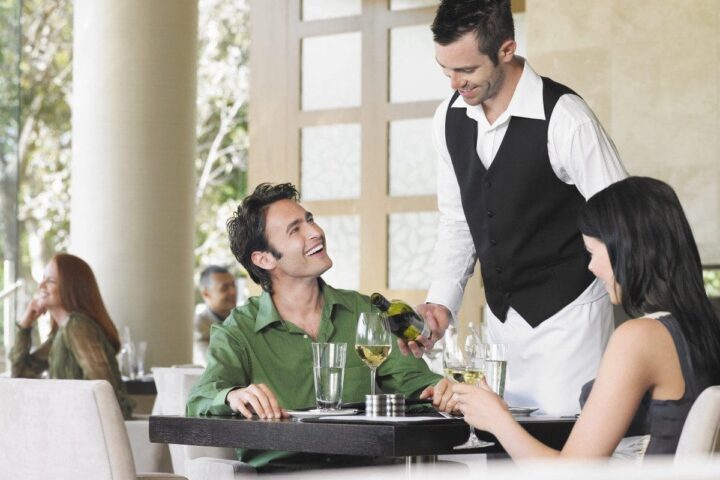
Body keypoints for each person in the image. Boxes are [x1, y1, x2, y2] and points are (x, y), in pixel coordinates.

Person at [408, 0, 628, 414]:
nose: (455, 83)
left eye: (466, 70)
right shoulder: (448, 118)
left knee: (569, 443)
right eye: (445, 70)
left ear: (506, 49)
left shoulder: (566, 118)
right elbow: (458, 222)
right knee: (502, 440)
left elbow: (625, 219)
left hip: (570, 321)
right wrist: (441, 302)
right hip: (499, 328)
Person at [186, 183, 451, 470]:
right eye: (295, 230)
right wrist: (231, 395)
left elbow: (415, 382)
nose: (315, 232)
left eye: (309, 220)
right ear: (264, 258)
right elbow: (199, 400)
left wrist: (442, 391)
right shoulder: (238, 330)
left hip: (365, 471)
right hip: (282, 475)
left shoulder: (365, 312)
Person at [453, 176, 720, 457]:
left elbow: (573, 472)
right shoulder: (705, 329)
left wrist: (496, 419)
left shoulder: (640, 338)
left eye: (591, 252)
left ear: (625, 249)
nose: (591, 267)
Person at [10, 253, 134, 419]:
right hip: (78, 426)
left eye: (50, 281)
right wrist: (25, 325)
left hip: (91, 429)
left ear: (70, 287)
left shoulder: (77, 326)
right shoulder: (63, 331)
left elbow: (103, 391)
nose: (41, 285)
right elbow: (20, 375)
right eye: (43, 279)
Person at [193, 265, 238, 365]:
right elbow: (210, 364)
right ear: (206, 293)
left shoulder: (243, 320)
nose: (233, 292)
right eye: (225, 288)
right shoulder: (199, 326)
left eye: (234, 285)